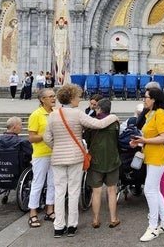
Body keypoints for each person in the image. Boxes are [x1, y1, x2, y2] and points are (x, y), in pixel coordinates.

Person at [43, 83, 119, 238]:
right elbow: (98, 123)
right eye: (78, 97)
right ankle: (72, 226)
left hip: (58, 157)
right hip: (75, 157)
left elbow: (47, 138)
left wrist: (57, 147)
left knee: (59, 191)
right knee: (73, 191)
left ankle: (58, 227)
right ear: (71, 98)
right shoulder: (77, 114)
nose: (79, 99)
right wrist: (113, 117)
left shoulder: (52, 115)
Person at [130, 87, 164, 242]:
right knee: (154, 190)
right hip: (151, 155)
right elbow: (148, 134)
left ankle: (153, 226)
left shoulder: (161, 113)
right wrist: (139, 142)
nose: (144, 99)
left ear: (154, 99)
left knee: (149, 190)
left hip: (158, 157)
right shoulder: (150, 113)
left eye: (147, 97)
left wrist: (144, 141)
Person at [86, 99, 121, 229]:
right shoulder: (115, 124)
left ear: (99, 109)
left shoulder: (92, 123)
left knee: (96, 191)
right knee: (112, 190)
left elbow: (87, 140)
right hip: (112, 159)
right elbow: (118, 140)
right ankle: (113, 218)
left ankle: (95, 219)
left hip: (96, 160)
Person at [27, 88, 57, 229]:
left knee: (53, 183)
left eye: (54, 96)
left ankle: (50, 210)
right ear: (42, 99)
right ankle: (33, 212)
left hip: (55, 153)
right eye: (50, 96)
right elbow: (32, 138)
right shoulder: (36, 115)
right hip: (41, 154)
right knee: (38, 183)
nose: (54, 98)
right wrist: (46, 137)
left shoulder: (55, 113)